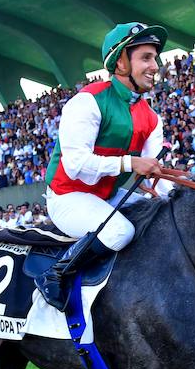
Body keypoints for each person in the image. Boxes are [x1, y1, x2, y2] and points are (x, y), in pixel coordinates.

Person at [38, 22, 174, 309]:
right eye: (146, 58)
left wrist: (174, 198)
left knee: (164, 218)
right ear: (122, 62)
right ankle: (56, 274)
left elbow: (155, 174)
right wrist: (130, 162)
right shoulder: (88, 101)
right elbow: (75, 165)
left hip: (107, 196)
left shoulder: (151, 118)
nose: (155, 65)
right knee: (119, 232)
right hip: (67, 197)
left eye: (155, 58)